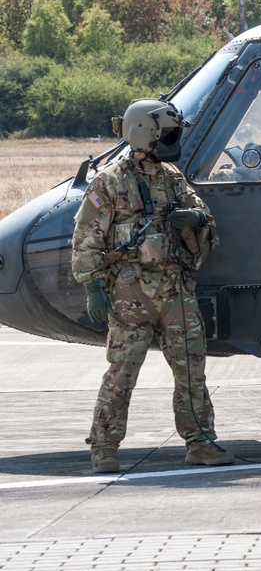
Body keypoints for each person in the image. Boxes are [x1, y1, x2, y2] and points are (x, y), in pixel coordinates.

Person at [72, 99, 235, 473]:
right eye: (166, 135)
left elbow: (204, 217)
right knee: (122, 371)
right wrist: (93, 287)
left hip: (175, 288)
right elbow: (87, 238)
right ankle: (104, 446)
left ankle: (200, 442)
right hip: (131, 292)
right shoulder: (109, 181)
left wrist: (194, 217)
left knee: (191, 370)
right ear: (145, 134)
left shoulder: (171, 177)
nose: (171, 142)